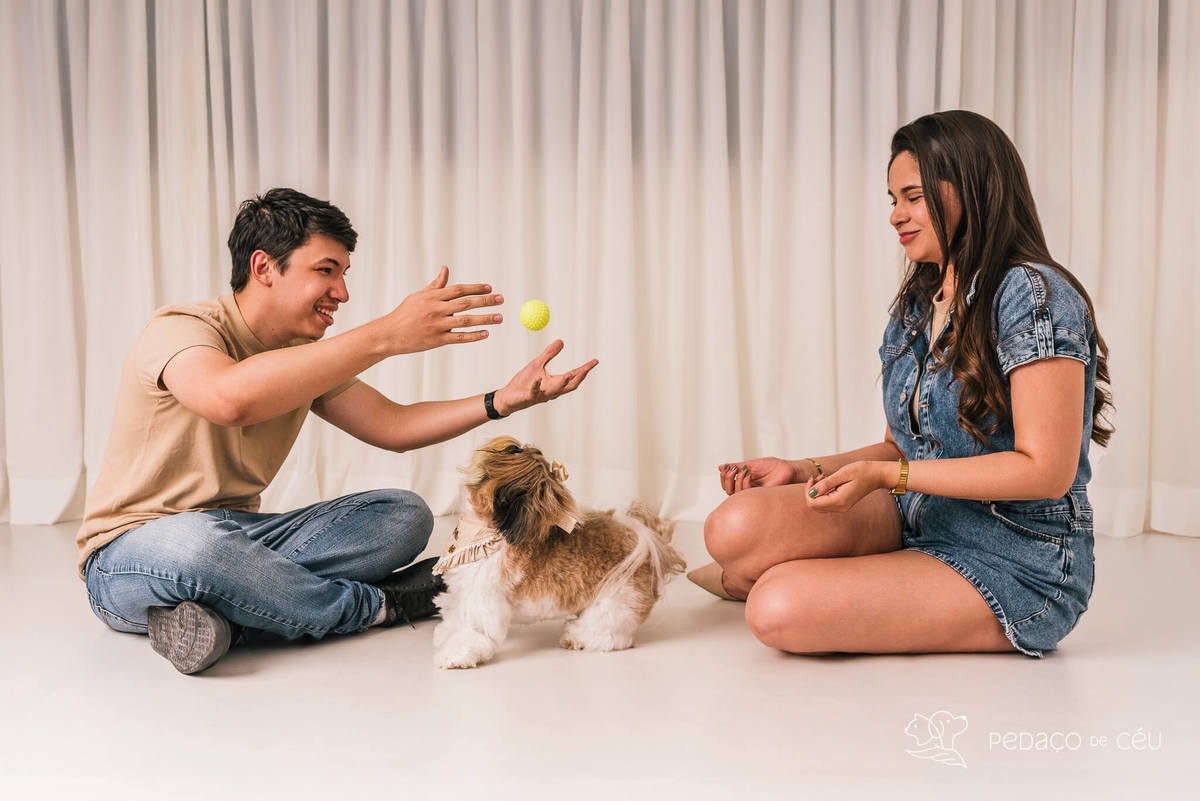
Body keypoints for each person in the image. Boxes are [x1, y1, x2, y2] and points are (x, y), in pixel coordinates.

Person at [77, 188, 598, 674]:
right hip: (130, 555)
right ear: (264, 267)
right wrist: (387, 336)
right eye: (326, 271)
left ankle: (233, 616)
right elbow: (229, 399)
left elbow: (393, 425)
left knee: (401, 515)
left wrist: (501, 401)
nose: (342, 293)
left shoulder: (303, 356)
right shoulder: (181, 329)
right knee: (198, 548)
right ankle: (383, 606)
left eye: (345, 273)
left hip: (242, 539)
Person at [690, 110, 1113, 657]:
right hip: (915, 515)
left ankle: (783, 581)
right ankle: (795, 574)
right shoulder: (919, 303)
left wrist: (889, 475)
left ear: (974, 188)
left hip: (1015, 555)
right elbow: (900, 448)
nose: (896, 216)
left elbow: (1046, 472)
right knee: (732, 527)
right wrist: (801, 470)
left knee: (776, 607)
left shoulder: (1032, 294)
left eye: (912, 197)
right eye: (893, 200)